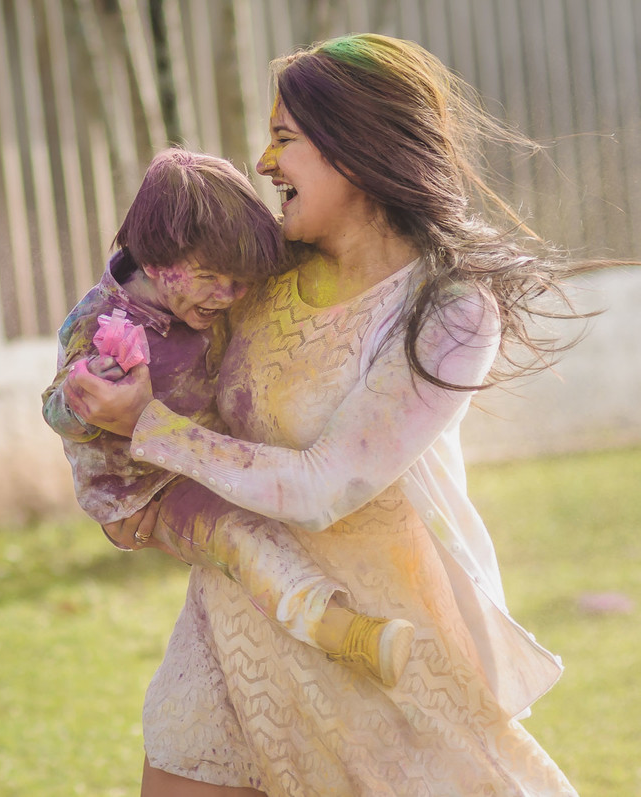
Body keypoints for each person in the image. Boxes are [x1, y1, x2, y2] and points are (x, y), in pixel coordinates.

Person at [67, 34, 590, 796]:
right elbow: (142, 347)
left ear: (355, 148)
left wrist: (149, 430)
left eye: (285, 139)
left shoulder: (448, 311)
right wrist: (118, 477)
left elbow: (327, 485)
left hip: (377, 649)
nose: (264, 162)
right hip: (235, 631)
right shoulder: (260, 275)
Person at [43, 148, 414, 687]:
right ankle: (345, 634)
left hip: (211, 456)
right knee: (243, 538)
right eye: (211, 276)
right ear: (152, 259)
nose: (228, 294)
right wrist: (82, 395)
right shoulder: (103, 323)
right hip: (151, 488)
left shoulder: (207, 298)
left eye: (239, 279)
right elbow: (55, 409)